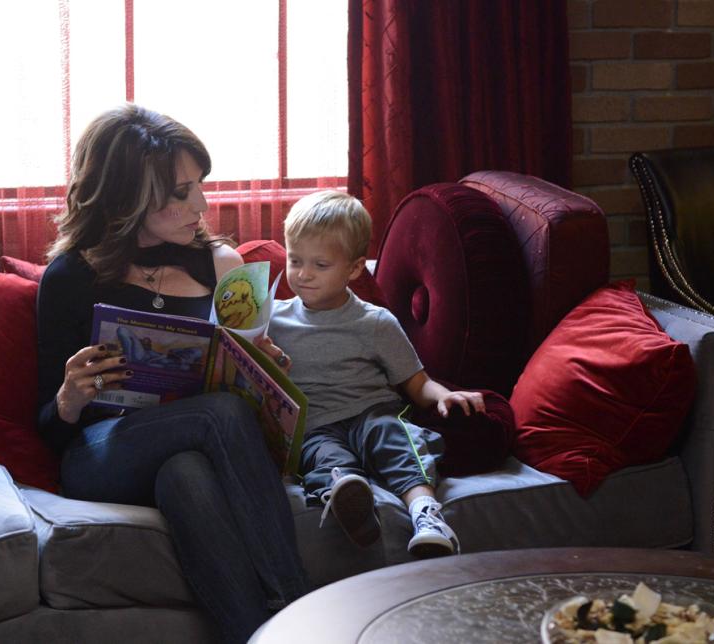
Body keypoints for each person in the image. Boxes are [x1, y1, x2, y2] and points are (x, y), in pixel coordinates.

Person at [35, 103, 308, 644]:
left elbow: (248, 393)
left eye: (199, 185)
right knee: (216, 414)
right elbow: (47, 427)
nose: (201, 205)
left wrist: (263, 369)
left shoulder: (220, 264)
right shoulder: (69, 278)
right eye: (182, 192)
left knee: (184, 474)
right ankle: (304, 615)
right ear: (127, 197)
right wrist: (68, 397)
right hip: (101, 453)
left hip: (194, 449)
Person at [265, 190, 486, 559]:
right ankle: (350, 499)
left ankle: (427, 516)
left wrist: (444, 395)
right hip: (316, 424)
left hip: (371, 412)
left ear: (354, 269)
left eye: (320, 265)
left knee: (392, 436)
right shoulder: (273, 319)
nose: (303, 274)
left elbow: (416, 382)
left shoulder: (376, 322)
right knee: (321, 457)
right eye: (295, 260)